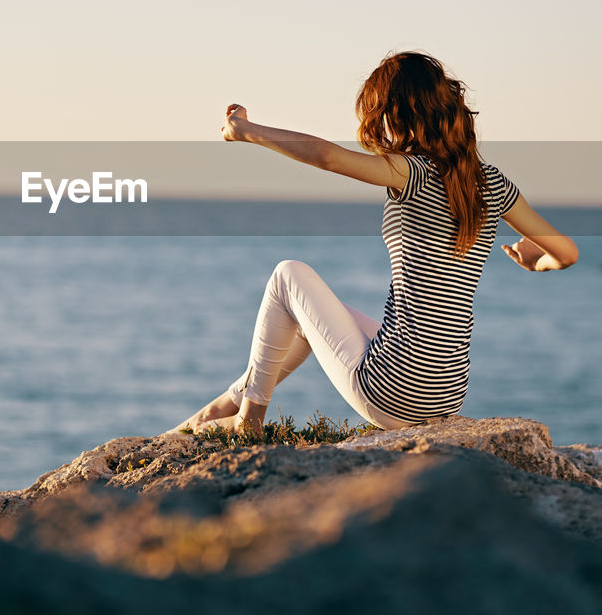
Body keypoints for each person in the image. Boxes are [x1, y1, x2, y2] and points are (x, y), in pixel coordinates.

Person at [175, 51, 579, 438]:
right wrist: (535, 261)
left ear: (397, 113)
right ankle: (221, 407)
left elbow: (328, 157)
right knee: (308, 315)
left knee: (287, 276)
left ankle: (249, 417)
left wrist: (247, 131)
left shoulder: (411, 171)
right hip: (446, 395)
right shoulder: (492, 182)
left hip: (391, 394)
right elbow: (567, 253)